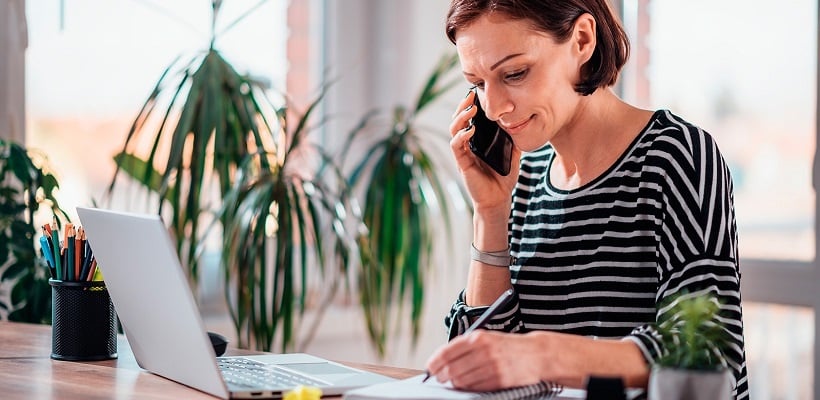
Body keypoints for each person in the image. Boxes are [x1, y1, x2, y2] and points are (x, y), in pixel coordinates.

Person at [423, 0, 749, 399]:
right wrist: (490, 214)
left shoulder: (676, 155)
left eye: (515, 73)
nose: (493, 107)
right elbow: (482, 360)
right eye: (477, 83)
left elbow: (709, 351)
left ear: (582, 40)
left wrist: (544, 354)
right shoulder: (520, 179)